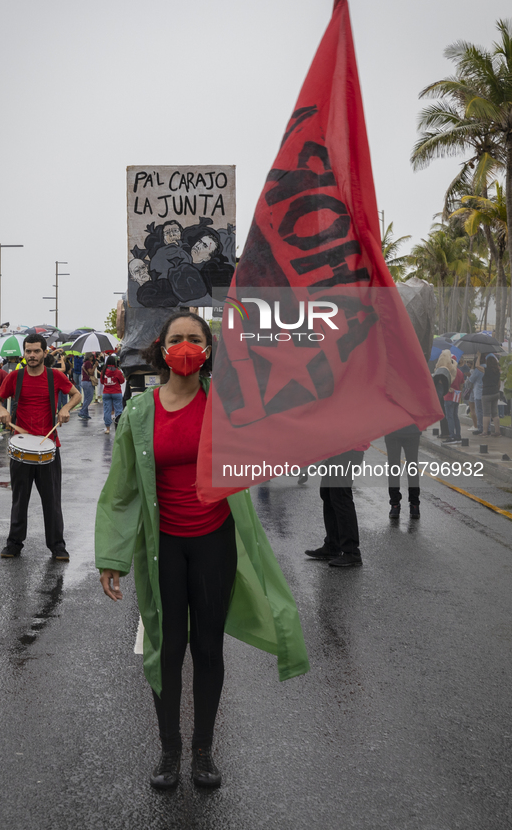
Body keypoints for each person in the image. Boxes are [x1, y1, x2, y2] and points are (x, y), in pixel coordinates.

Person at [95, 312, 309, 790]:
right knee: (167, 648)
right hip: (163, 546)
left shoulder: (229, 407)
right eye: (177, 339)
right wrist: (111, 556)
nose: (186, 346)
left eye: (196, 339)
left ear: (209, 350)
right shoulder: (139, 412)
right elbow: (122, 489)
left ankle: (203, 751)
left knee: (208, 648)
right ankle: (169, 751)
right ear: (161, 348)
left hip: (214, 542)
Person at [0, 334, 81, 560]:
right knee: (20, 499)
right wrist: (2, 411)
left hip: (48, 446)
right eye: (28, 351)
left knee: (52, 500)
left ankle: (57, 546)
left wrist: (66, 408)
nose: (32, 355)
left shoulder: (55, 376)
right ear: (24, 353)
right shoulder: (15, 377)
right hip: (21, 447)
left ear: (44, 353)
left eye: (36, 351)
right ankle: (14, 544)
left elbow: (76, 394)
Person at [305, 446, 368, 566]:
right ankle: (332, 545)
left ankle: (352, 552)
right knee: (328, 494)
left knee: (341, 498)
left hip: (348, 449)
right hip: (335, 450)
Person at [384, 426, 422, 519]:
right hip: (412, 430)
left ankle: (395, 505)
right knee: (412, 466)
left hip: (393, 429)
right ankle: (414, 504)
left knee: (394, 468)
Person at [99, 354, 125, 433]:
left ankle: (107, 428)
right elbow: (122, 381)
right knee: (118, 410)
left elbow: (102, 382)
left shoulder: (103, 371)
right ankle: (119, 428)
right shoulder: (117, 371)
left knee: (107, 410)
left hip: (106, 393)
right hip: (116, 392)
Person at [443, 356, 465, 444]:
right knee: (455, 416)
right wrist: (458, 392)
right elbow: (462, 385)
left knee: (450, 417)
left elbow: (444, 383)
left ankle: (451, 435)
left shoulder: (449, 372)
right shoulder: (460, 372)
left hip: (448, 396)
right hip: (456, 396)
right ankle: (458, 435)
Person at [481, 353, 501, 437]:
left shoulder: (486, 370)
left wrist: (479, 356)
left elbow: (477, 366)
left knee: (486, 413)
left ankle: (485, 432)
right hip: (495, 392)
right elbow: (499, 383)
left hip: (486, 393)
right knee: (494, 413)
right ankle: (497, 432)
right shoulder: (498, 371)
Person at [469, 354, 485, 435]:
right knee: (486, 412)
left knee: (479, 411)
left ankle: (480, 428)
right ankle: (487, 428)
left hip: (478, 393)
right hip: (486, 392)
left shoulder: (478, 369)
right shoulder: (487, 367)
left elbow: (471, 380)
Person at [78, 353, 95, 419]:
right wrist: (95, 366)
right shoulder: (88, 363)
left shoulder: (84, 363)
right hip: (88, 381)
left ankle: (85, 413)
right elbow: (90, 372)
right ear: (89, 357)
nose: (92, 358)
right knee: (89, 398)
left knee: (86, 398)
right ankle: (82, 411)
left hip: (84, 381)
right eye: (91, 356)